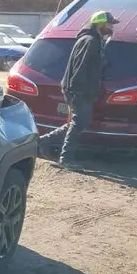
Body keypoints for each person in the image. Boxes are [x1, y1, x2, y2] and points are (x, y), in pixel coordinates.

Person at [37, 10, 119, 171]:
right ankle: (66, 158)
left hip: (80, 89)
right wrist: (79, 91)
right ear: (100, 24)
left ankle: (43, 141)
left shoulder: (95, 40)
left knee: (78, 122)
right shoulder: (90, 41)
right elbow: (80, 67)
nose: (111, 27)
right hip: (78, 89)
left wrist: (102, 63)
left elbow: (91, 64)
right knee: (79, 123)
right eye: (109, 24)